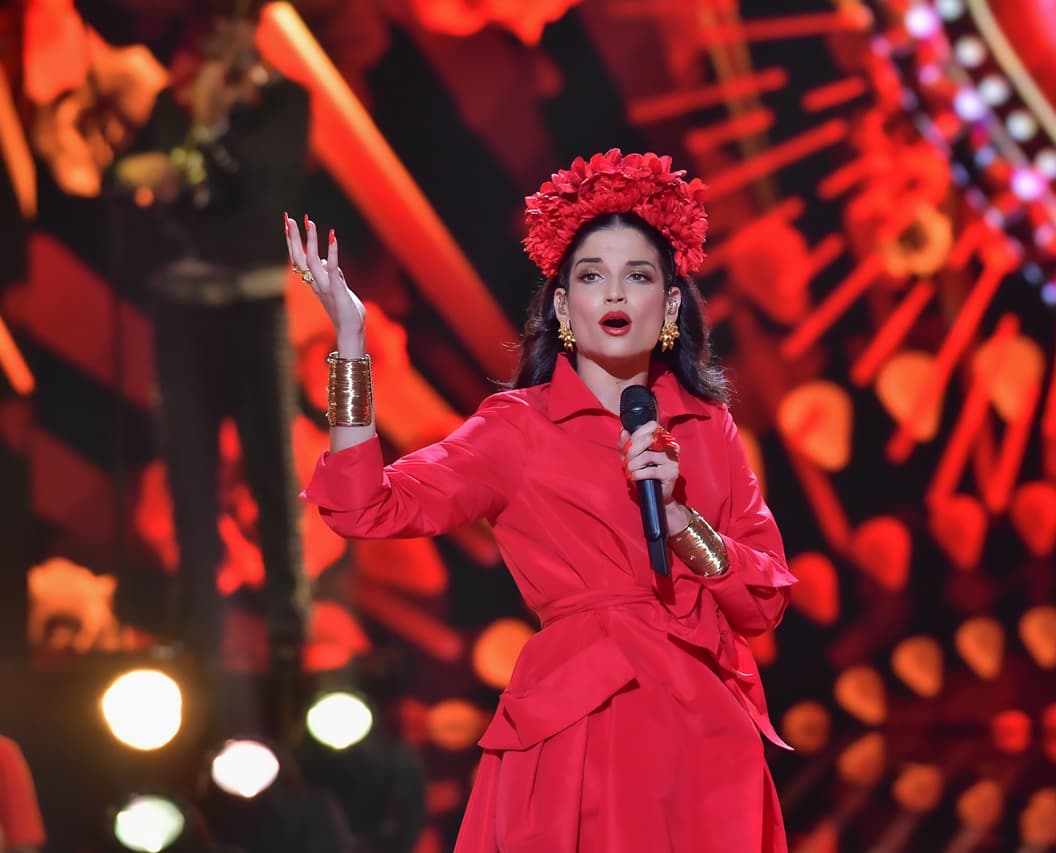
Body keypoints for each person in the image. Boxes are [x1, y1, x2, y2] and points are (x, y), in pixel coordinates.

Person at [294, 149, 797, 851]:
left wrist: (684, 524)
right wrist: (351, 346)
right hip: (583, 722)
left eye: (638, 276)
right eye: (593, 277)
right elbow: (364, 506)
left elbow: (764, 600)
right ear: (564, 305)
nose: (615, 296)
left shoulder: (708, 426)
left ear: (671, 303)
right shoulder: (518, 428)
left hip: (704, 730)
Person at [113, 6, 309, 669]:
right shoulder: (173, 106)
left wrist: (213, 132)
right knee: (188, 473)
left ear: (254, 29)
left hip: (252, 310)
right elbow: (135, 178)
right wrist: (188, 141)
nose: (222, 39)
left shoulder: (285, 104)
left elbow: (258, 181)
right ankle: (197, 628)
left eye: (234, 22)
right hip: (182, 312)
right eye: (211, 27)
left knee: (271, 470)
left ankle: (287, 626)